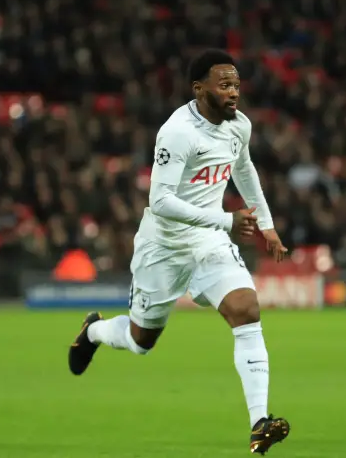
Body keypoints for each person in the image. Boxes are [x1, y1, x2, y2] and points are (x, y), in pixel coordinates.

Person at [68, 49, 291, 454]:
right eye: (224, 85)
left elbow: (244, 170)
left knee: (246, 309)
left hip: (208, 243)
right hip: (164, 247)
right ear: (199, 88)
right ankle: (94, 331)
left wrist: (267, 225)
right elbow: (161, 200)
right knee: (140, 341)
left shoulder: (239, 126)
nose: (233, 92)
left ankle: (260, 422)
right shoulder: (177, 132)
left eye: (236, 84)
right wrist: (226, 219)